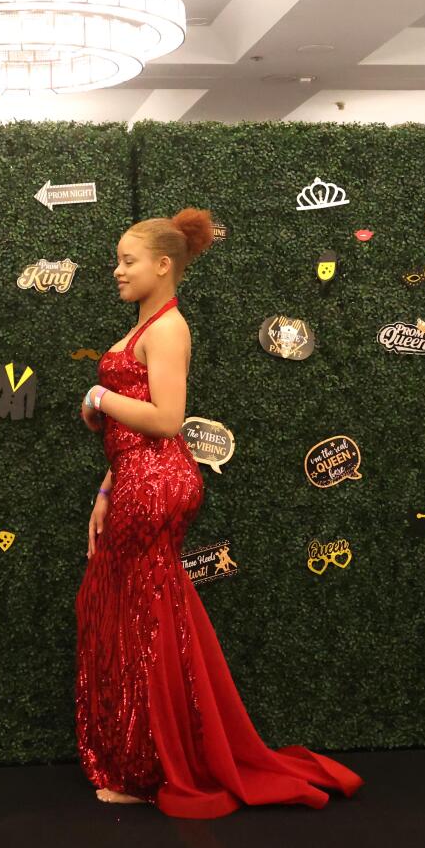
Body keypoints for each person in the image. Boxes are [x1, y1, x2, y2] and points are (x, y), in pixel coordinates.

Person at [76, 207, 360, 814]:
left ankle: (152, 765)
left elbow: (167, 420)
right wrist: (105, 489)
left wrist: (98, 396)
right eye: (117, 261)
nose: (117, 271)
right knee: (148, 614)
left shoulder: (168, 329)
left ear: (162, 265)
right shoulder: (144, 327)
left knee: (143, 616)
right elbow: (131, 438)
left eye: (128, 261)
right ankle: (149, 755)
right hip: (135, 479)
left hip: (157, 485)